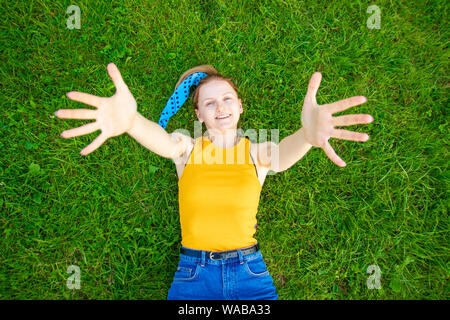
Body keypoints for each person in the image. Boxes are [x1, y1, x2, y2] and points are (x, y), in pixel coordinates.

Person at [55, 63, 374, 300]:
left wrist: (307, 136)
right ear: (198, 115)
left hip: (250, 274)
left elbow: (283, 155)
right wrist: (132, 123)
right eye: (209, 103)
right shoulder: (187, 147)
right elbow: (163, 142)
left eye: (227, 99)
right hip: (193, 276)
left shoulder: (256, 151)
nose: (220, 107)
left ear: (239, 106)